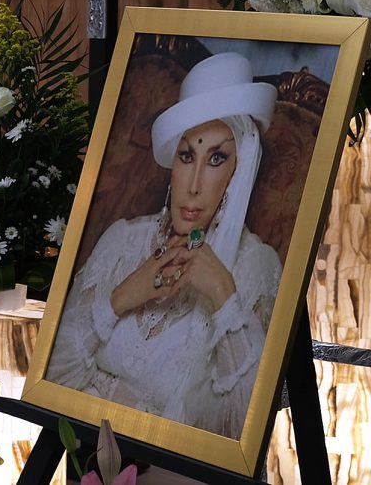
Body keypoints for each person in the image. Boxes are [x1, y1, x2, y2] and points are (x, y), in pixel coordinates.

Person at [45, 52, 282, 439]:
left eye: (217, 158)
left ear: (239, 171)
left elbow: (237, 433)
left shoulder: (254, 267)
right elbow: (52, 377)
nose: (194, 184)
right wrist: (122, 296)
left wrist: (223, 295)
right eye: (187, 156)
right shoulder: (122, 240)